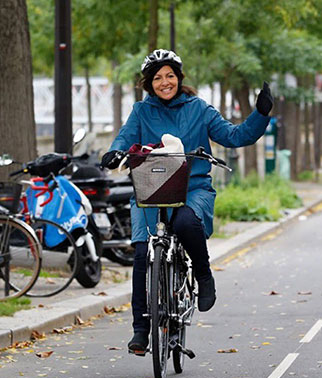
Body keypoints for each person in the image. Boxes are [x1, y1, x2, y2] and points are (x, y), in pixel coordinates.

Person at [101, 49, 273, 355]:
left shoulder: (199, 108)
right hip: (150, 189)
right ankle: (141, 330)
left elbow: (234, 136)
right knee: (141, 254)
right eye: (157, 78)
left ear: (179, 79)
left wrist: (260, 114)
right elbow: (125, 138)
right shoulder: (141, 112)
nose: (164, 82)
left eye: (170, 76)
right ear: (149, 84)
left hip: (192, 187)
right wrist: (115, 152)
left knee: (184, 221)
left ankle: (204, 275)